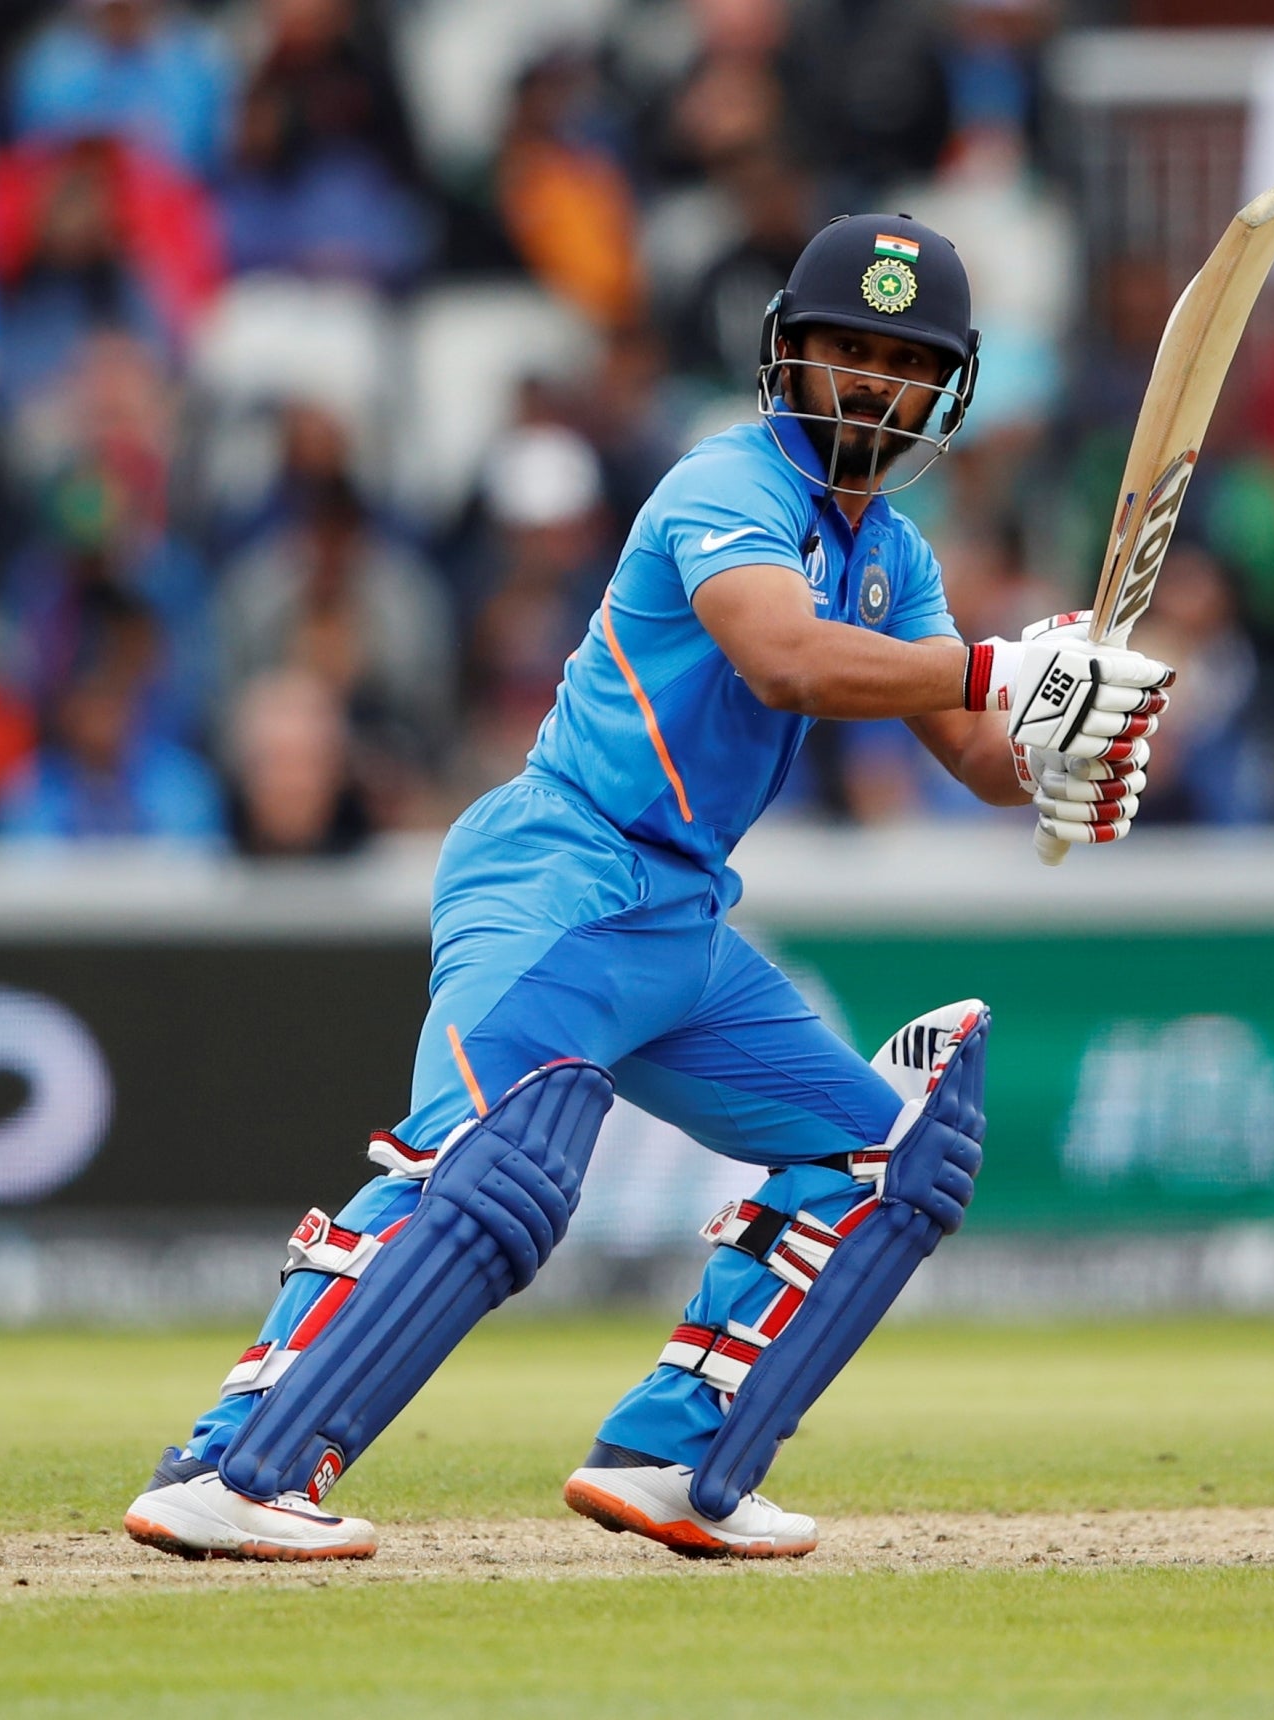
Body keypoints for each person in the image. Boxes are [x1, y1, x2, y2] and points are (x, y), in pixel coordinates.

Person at [123, 214, 1175, 1560]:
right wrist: (996, 673)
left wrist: (1064, 742)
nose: (865, 382)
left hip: (675, 915)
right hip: (562, 868)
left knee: (889, 1157)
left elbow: (972, 752)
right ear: (786, 355)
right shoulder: (722, 482)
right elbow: (783, 656)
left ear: (943, 387)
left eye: (897, 361)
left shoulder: (893, 552)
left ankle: (678, 1459)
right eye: (841, 350)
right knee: (502, 1166)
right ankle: (233, 1470)